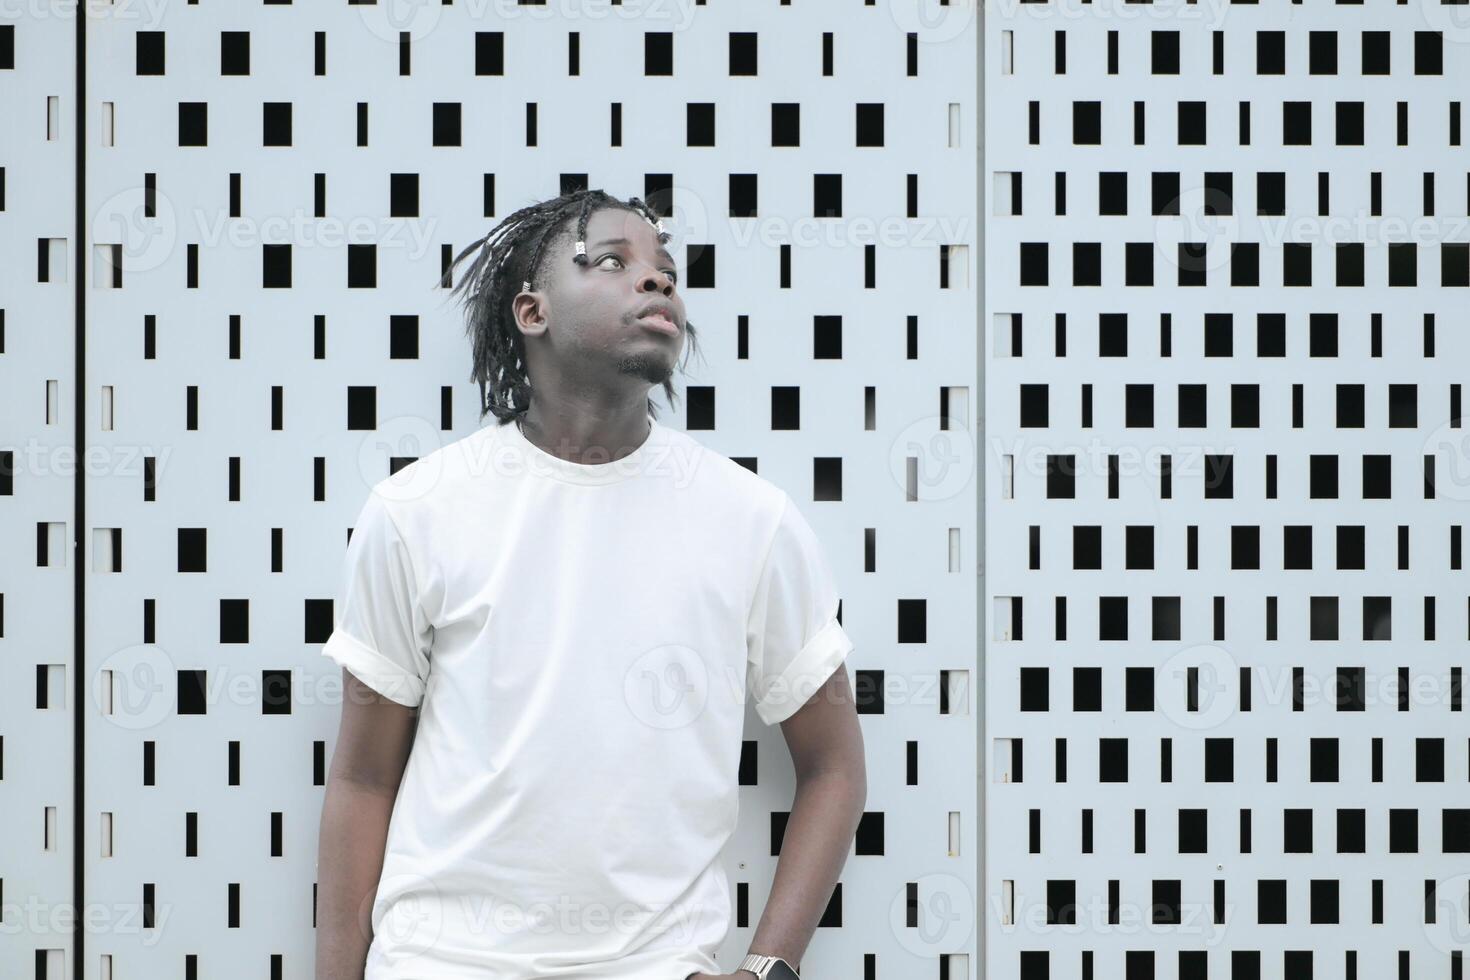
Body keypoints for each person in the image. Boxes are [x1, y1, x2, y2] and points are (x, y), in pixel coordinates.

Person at [314, 189, 866, 980]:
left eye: (665, 270)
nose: (657, 282)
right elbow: (364, 778)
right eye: (613, 261)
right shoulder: (418, 512)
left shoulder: (751, 520)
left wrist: (766, 970)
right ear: (532, 313)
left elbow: (835, 766)